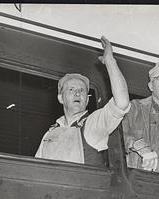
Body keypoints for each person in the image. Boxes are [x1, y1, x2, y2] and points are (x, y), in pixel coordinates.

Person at [35, 36, 130, 166]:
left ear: (86, 100)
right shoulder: (50, 134)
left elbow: (122, 103)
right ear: (60, 98)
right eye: (71, 89)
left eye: (82, 90)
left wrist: (110, 61)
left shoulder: (92, 124)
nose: (77, 93)